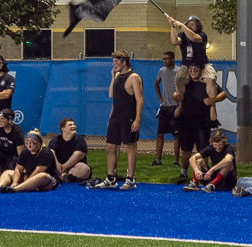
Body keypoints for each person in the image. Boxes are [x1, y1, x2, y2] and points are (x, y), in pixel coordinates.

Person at [96, 50, 143, 190]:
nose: (113, 64)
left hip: (128, 116)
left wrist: (137, 119)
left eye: (116, 61)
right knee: (110, 146)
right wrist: (111, 118)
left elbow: (139, 100)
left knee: (130, 146)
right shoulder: (116, 75)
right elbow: (112, 95)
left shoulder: (134, 77)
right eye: (113, 61)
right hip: (115, 116)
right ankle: (111, 178)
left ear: (124, 61)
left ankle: (130, 179)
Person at [176, 63, 226, 180]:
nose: (193, 71)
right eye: (191, 69)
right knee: (186, 149)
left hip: (202, 121)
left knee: (203, 149)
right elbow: (176, 93)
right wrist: (176, 97)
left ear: (201, 70)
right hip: (186, 120)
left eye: (196, 69)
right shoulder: (185, 83)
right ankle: (183, 173)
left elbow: (223, 94)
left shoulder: (207, 83)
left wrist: (213, 100)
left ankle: (204, 171)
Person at [167, 15, 218, 121]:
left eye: (192, 25)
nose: (190, 26)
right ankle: (180, 105)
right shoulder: (182, 35)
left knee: (211, 79)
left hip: (202, 63)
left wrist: (181, 25)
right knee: (178, 80)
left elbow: (193, 38)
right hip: (187, 64)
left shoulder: (202, 35)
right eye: (188, 24)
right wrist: (172, 26)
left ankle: (212, 107)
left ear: (198, 26)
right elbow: (174, 41)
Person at [0, 128, 59, 193]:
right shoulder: (25, 152)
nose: (29, 144)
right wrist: (15, 182)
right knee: (7, 172)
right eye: (27, 141)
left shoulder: (46, 152)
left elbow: (38, 171)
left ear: (39, 143)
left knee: (42, 175)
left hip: (47, 180)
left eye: (32, 142)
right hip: (29, 176)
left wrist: (24, 183)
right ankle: (1, 187)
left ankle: (15, 189)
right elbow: (18, 169)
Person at [150, 51, 180, 167]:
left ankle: (176, 161)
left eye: (167, 59)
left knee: (176, 135)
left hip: (175, 106)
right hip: (165, 106)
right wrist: (160, 99)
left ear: (173, 59)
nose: (165, 61)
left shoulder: (179, 71)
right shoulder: (161, 71)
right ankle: (158, 159)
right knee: (160, 133)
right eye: (163, 59)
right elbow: (156, 84)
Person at [48, 117, 91, 183]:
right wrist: (58, 165)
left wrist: (64, 167)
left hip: (73, 168)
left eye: (74, 125)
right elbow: (51, 152)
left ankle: (64, 177)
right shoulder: (55, 140)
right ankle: (64, 177)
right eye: (70, 125)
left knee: (84, 168)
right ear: (63, 129)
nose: (74, 126)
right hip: (58, 168)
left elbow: (78, 155)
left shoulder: (80, 139)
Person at [0, 108, 24, 173]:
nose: (0, 121)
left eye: (2, 119)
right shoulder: (0, 128)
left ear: (10, 120)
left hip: (14, 156)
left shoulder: (17, 132)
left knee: (11, 164)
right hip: (3, 153)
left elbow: (20, 154)